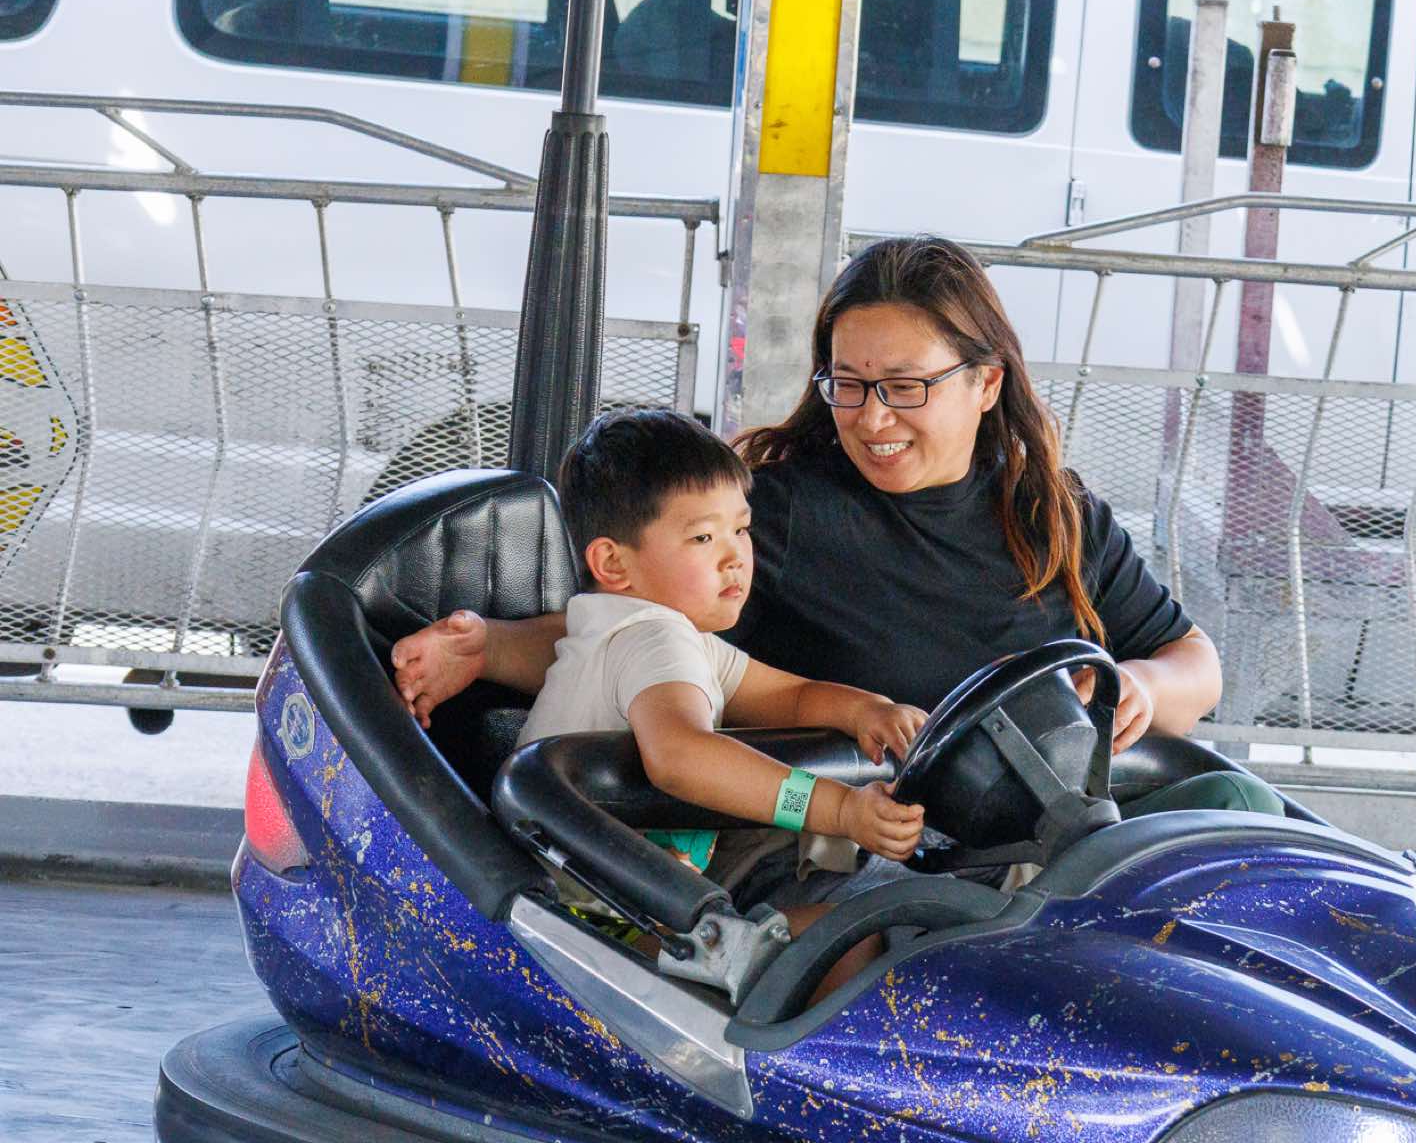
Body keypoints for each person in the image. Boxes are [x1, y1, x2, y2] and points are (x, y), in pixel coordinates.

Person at [395, 235, 1283, 904]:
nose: (871, 417)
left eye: (904, 385)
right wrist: (487, 647)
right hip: (897, 870)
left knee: (1241, 807)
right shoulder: (778, 515)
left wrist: (1140, 686)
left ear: (985, 383)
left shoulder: (1053, 515)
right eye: (848, 383)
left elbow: (1193, 663)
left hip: (1069, 838)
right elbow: (631, 628)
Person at [518, 405, 925, 970]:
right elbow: (681, 757)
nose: (735, 556)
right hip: (593, 933)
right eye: (704, 537)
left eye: (741, 529)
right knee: (866, 936)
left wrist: (866, 710)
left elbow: (788, 697)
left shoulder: (658, 631)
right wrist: (839, 810)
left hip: (630, 907)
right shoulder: (650, 638)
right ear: (613, 562)